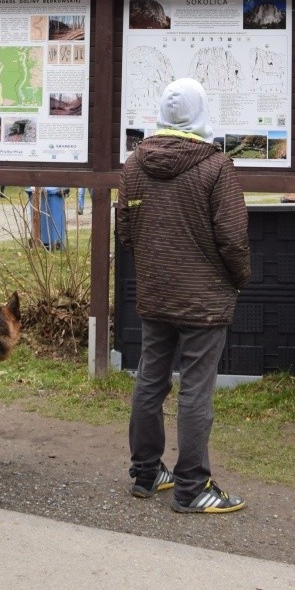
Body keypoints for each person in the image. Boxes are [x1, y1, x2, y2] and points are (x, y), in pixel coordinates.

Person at [117, 77, 251, 514]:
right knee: (196, 389)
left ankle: (145, 472)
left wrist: (153, 268)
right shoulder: (216, 166)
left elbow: (125, 233)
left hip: (156, 292)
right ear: (201, 113)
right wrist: (239, 278)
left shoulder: (134, 166)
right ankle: (192, 486)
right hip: (204, 298)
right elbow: (233, 239)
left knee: (149, 380)